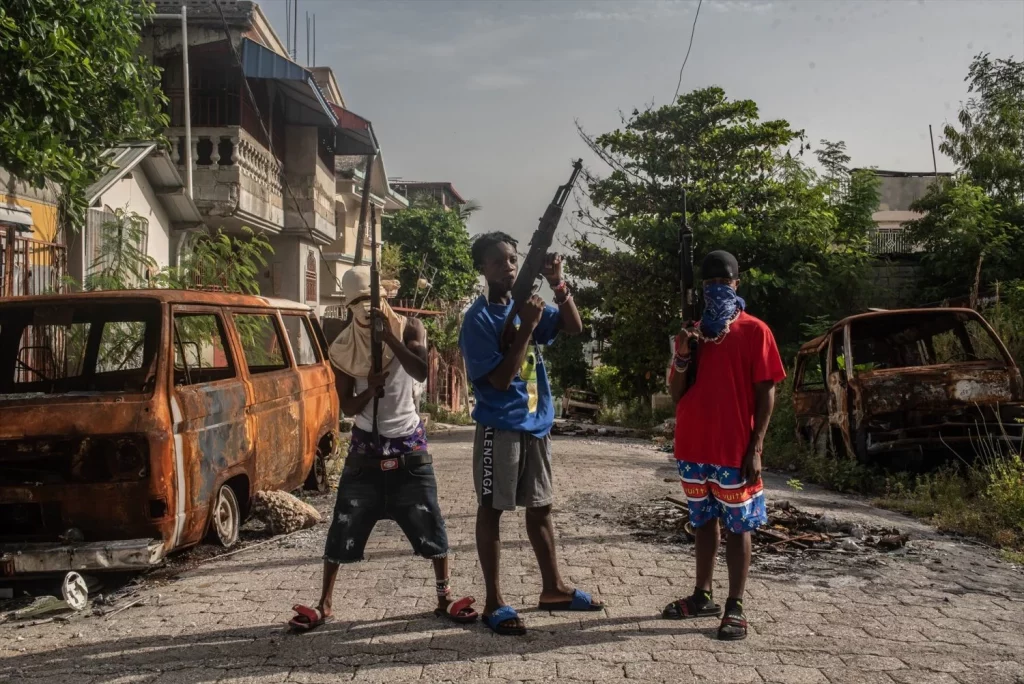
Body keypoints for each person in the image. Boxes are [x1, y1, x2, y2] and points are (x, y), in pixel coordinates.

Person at [290, 267, 477, 631]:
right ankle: (325, 603)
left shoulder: (410, 328)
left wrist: (389, 341)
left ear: (385, 301)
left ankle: (444, 597)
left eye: (371, 302)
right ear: (347, 307)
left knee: (431, 519)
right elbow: (347, 405)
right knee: (343, 524)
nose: (366, 310)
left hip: (408, 445)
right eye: (357, 304)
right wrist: (369, 388)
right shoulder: (342, 346)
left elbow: (421, 370)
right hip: (365, 451)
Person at [459, 232, 604, 636]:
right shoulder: (478, 319)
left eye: (513, 258)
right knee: (492, 510)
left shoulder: (525, 308)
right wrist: (527, 328)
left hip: (536, 424)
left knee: (540, 509)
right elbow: (502, 380)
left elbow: (574, 326)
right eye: (498, 260)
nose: (508, 266)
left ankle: (553, 589)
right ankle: (493, 601)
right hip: (499, 427)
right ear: (482, 269)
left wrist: (559, 284)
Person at [661, 250, 786, 640]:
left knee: (739, 526)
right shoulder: (693, 333)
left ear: (737, 284)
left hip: (735, 448)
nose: (718, 288)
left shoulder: (755, 330)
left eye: (724, 282)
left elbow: (767, 391)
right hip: (693, 446)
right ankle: (702, 595)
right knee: (702, 522)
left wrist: (757, 446)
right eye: (710, 284)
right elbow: (676, 392)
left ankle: (735, 605)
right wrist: (682, 355)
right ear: (702, 288)